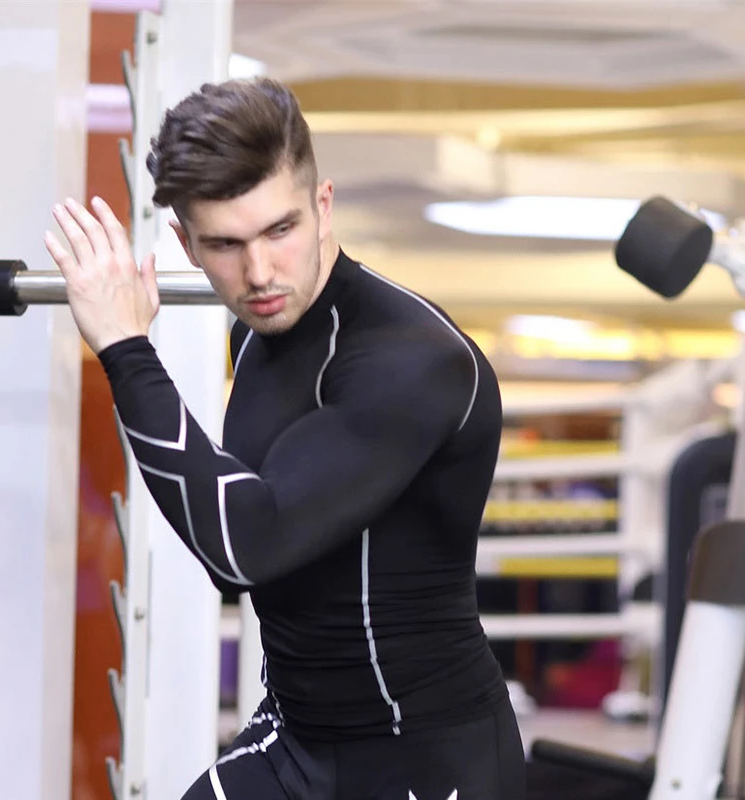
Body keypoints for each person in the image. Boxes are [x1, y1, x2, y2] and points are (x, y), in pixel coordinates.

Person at [45, 76, 525, 800]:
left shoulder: (413, 359)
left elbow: (246, 548)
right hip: (296, 740)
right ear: (185, 244)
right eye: (225, 244)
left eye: (280, 230)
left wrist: (125, 348)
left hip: (427, 760)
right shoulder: (257, 335)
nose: (260, 273)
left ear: (322, 206)